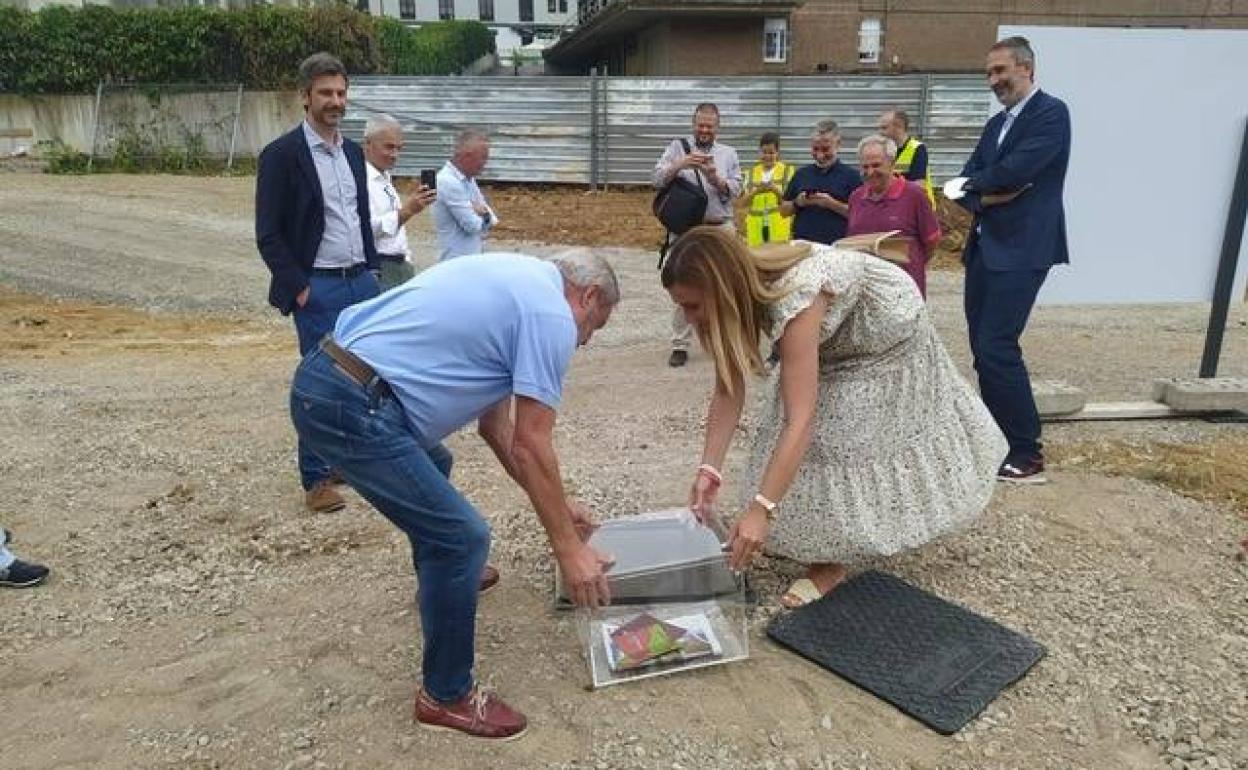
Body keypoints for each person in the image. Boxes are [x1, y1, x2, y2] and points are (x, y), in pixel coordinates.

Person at [289, 249, 619, 739]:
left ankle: (444, 583)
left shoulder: (521, 283)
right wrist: (568, 548)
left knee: (437, 465)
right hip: (351, 402)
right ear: (588, 295)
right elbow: (531, 443)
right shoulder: (550, 314)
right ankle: (445, 696)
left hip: (335, 381)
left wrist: (560, 509)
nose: (585, 341)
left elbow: (498, 429)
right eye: (594, 326)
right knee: (461, 538)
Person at [662, 227, 1007, 608]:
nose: (687, 317)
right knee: (793, 430)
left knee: (836, 438)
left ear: (723, 289)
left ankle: (830, 562)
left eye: (693, 306)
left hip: (883, 335)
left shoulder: (798, 294)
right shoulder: (741, 294)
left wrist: (761, 509)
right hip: (833, 337)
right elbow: (729, 388)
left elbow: (802, 420)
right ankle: (814, 538)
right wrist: (709, 468)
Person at [256, 52, 381, 514]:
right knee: (319, 381)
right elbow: (268, 233)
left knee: (366, 375)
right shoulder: (282, 155)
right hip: (319, 287)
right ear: (305, 97)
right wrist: (299, 287)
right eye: (326, 93)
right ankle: (315, 478)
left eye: (341, 93)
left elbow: (360, 217)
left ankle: (346, 460)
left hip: (359, 284)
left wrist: (372, 270)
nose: (335, 101)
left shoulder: (351, 152)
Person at [954, 36, 1071, 484]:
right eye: (989, 73)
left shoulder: (1051, 114)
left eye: (1001, 71)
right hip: (985, 246)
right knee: (983, 349)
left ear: (1028, 70)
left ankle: (1027, 452)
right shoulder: (995, 125)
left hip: (1023, 249)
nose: (994, 81)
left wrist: (982, 187)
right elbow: (964, 183)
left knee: (997, 346)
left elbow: (1016, 173)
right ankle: (998, 441)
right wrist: (988, 197)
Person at [652, 103, 743, 367]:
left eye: (709, 126)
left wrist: (716, 178)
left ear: (718, 127)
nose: (704, 130)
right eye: (700, 125)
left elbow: (737, 191)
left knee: (725, 285)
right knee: (683, 286)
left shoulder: (728, 153)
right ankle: (680, 344)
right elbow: (656, 179)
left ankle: (724, 340)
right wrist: (679, 165)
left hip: (719, 227)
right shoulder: (677, 147)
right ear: (693, 124)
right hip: (686, 229)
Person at [846, 134, 941, 298]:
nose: (870, 172)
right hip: (865, 289)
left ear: (891, 163)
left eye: (876, 165)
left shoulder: (915, 195)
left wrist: (914, 264)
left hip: (903, 291)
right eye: (864, 166)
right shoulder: (856, 197)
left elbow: (931, 240)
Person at [363, 113, 436, 291]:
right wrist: (407, 211)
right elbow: (365, 230)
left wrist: (407, 260)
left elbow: (397, 233)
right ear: (368, 144)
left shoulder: (384, 177)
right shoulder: (361, 181)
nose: (395, 154)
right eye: (388, 147)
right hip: (380, 268)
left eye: (399, 148)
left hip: (399, 266)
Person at [780, 120, 862, 247]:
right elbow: (783, 211)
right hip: (802, 247)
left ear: (838, 144)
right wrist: (798, 202)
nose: (820, 155)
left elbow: (862, 215)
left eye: (825, 149)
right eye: (815, 148)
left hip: (838, 248)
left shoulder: (852, 177)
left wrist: (830, 204)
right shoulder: (801, 174)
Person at [433, 128, 498, 261]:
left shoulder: (468, 180)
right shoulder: (447, 182)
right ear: (467, 156)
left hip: (471, 258)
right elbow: (472, 226)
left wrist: (483, 213)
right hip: (455, 261)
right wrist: (484, 214)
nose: (485, 163)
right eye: (483, 157)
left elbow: (493, 220)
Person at [744, 132, 795, 247]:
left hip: (779, 227)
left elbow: (790, 202)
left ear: (777, 153)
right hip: (755, 229)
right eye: (764, 152)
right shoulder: (750, 173)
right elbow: (743, 203)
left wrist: (775, 190)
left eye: (771, 152)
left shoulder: (787, 171)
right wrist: (756, 191)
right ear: (759, 152)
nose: (767, 156)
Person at [877, 109, 935, 207]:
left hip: (919, 208)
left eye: (884, 128)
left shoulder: (917, 148)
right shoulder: (886, 150)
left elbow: (919, 185)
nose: (880, 132)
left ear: (899, 127)